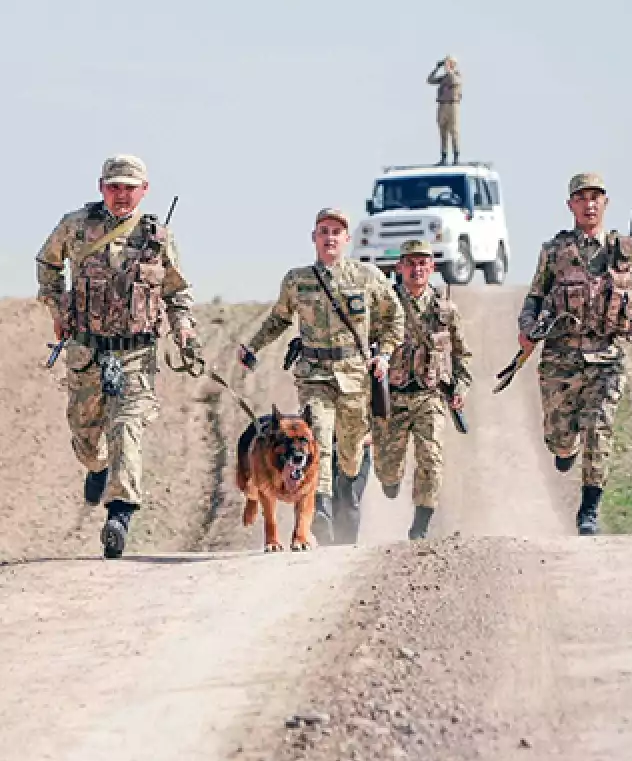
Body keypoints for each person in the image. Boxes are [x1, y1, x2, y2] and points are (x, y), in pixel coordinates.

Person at [35, 154, 200, 559]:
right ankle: (96, 468)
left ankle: (119, 515)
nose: (121, 194)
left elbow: (177, 291)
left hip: (136, 353)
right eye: (114, 186)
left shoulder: (156, 237)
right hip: (87, 350)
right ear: (101, 187)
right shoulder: (75, 226)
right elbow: (47, 264)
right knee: (86, 432)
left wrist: (184, 329)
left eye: (130, 187)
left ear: (144, 191)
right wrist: (57, 310)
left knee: (127, 426)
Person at [518, 172, 632, 535]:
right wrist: (527, 328)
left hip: (606, 357)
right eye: (581, 198)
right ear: (570, 206)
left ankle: (588, 511)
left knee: (599, 429)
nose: (589, 204)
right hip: (560, 358)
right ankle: (566, 451)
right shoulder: (554, 251)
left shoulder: (620, 250)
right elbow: (535, 295)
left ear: (605, 203)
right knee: (559, 437)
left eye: (596, 197)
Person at [238, 208, 404, 546]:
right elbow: (278, 319)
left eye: (337, 232)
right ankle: (322, 512)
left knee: (351, 451)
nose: (330, 237)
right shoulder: (297, 280)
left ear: (347, 239)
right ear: (314, 237)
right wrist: (252, 347)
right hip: (314, 375)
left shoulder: (367, 277)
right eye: (324, 230)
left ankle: (346, 498)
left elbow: (394, 318)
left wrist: (383, 355)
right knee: (321, 439)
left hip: (356, 378)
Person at [373, 239, 472, 540]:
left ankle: (421, 524)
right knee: (387, 470)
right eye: (410, 263)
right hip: (393, 398)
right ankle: (390, 480)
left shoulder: (445, 310)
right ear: (400, 267)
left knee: (432, 457)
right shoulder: (385, 306)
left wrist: (461, 387)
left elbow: (461, 354)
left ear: (432, 268)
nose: (417, 269)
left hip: (430, 396)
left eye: (422, 263)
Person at [426, 56, 463, 165]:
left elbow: (454, 80)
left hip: (452, 105)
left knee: (454, 131)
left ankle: (456, 157)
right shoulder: (444, 78)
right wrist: (436, 68)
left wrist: (449, 69)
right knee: (443, 132)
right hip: (442, 105)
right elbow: (430, 80)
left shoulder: (456, 76)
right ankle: (444, 156)